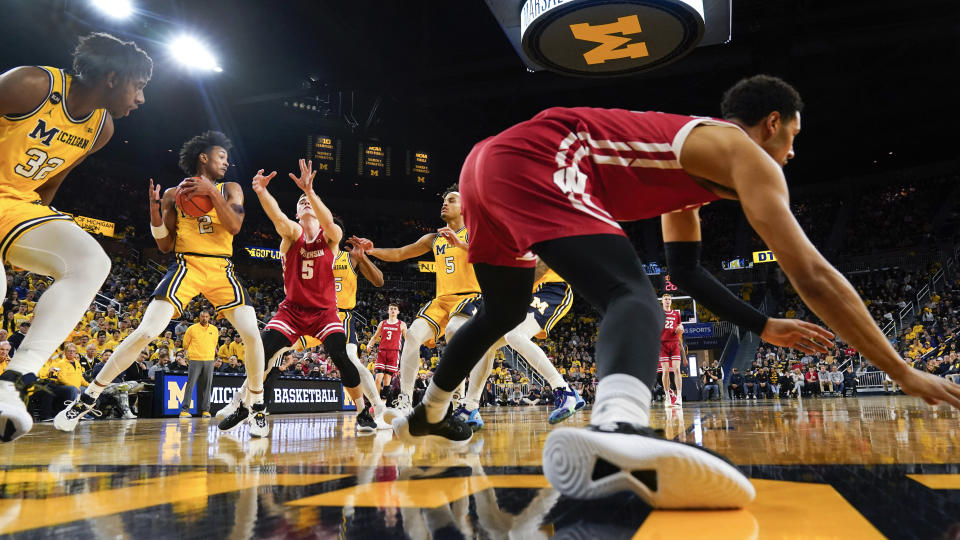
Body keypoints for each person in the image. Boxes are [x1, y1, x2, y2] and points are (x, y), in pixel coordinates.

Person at [390, 74, 960, 510]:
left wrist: (761, 327)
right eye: (792, 136)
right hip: (536, 157)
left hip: (483, 167)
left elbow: (685, 272)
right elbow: (812, 273)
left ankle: (430, 412)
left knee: (504, 308)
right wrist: (901, 371)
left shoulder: (690, 169)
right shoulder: (743, 152)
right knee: (629, 293)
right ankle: (618, 428)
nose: (791, 152)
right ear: (771, 121)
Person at [54, 131, 266, 436]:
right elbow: (165, 246)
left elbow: (233, 226)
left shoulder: (230, 188)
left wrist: (211, 191)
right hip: (186, 264)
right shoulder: (172, 194)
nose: (227, 162)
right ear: (203, 157)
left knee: (251, 331)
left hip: (221, 267)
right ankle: (89, 397)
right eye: (221, 156)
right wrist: (155, 216)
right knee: (147, 331)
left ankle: (256, 405)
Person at [0, 33, 152, 442]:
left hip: (16, 205)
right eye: (138, 86)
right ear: (111, 77)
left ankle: (14, 381)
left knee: (92, 262)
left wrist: (30, 238)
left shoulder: (101, 127)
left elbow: (50, 184)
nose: (140, 98)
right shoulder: (30, 85)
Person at [217, 160, 372, 434]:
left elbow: (331, 225)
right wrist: (262, 193)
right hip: (292, 311)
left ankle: (363, 412)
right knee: (260, 352)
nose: (304, 202)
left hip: (325, 312)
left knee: (341, 354)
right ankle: (252, 408)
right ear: (297, 214)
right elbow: (277, 217)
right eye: (300, 201)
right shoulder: (292, 233)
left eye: (308, 201)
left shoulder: (331, 236)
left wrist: (310, 191)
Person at [360, 186, 487, 412]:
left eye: (451, 200)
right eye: (444, 200)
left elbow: (488, 253)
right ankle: (405, 400)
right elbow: (400, 253)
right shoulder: (434, 238)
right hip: (441, 301)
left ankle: (459, 398)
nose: (445, 204)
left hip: (469, 297)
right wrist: (371, 251)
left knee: (455, 334)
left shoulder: (474, 231)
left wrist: (459, 244)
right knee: (412, 335)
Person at [452, 259, 585, 430]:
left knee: (514, 335)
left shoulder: (533, 234)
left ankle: (564, 391)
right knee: (485, 344)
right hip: (523, 292)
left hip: (551, 288)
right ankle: (470, 407)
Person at [179, 310, 219, 418]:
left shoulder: (214, 329)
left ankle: (205, 411)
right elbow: (185, 345)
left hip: (209, 360)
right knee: (190, 385)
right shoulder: (191, 329)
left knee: (207, 386)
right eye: (202, 317)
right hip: (195, 359)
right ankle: (184, 410)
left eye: (206, 317)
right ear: (199, 317)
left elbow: (214, 344)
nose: (204, 318)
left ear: (209, 318)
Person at [367, 304, 407, 395]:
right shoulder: (383, 323)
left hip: (394, 353)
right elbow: (376, 336)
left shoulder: (402, 324)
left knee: (387, 381)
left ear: (398, 312)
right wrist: (369, 344)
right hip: (382, 352)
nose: (393, 310)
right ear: (388, 311)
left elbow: (407, 340)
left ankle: (383, 402)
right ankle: (376, 403)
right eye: (391, 309)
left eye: (395, 309)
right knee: (378, 378)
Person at [658, 294, 685, 407]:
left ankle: (679, 397)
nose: (668, 301)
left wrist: (681, 329)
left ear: (671, 301)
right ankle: (668, 397)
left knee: (677, 371)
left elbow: (681, 327)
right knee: (665, 372)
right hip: (662, 344)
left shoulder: (676, 314)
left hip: (674, 344)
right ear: (662, 301)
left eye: (669, 299)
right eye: (666, 299)